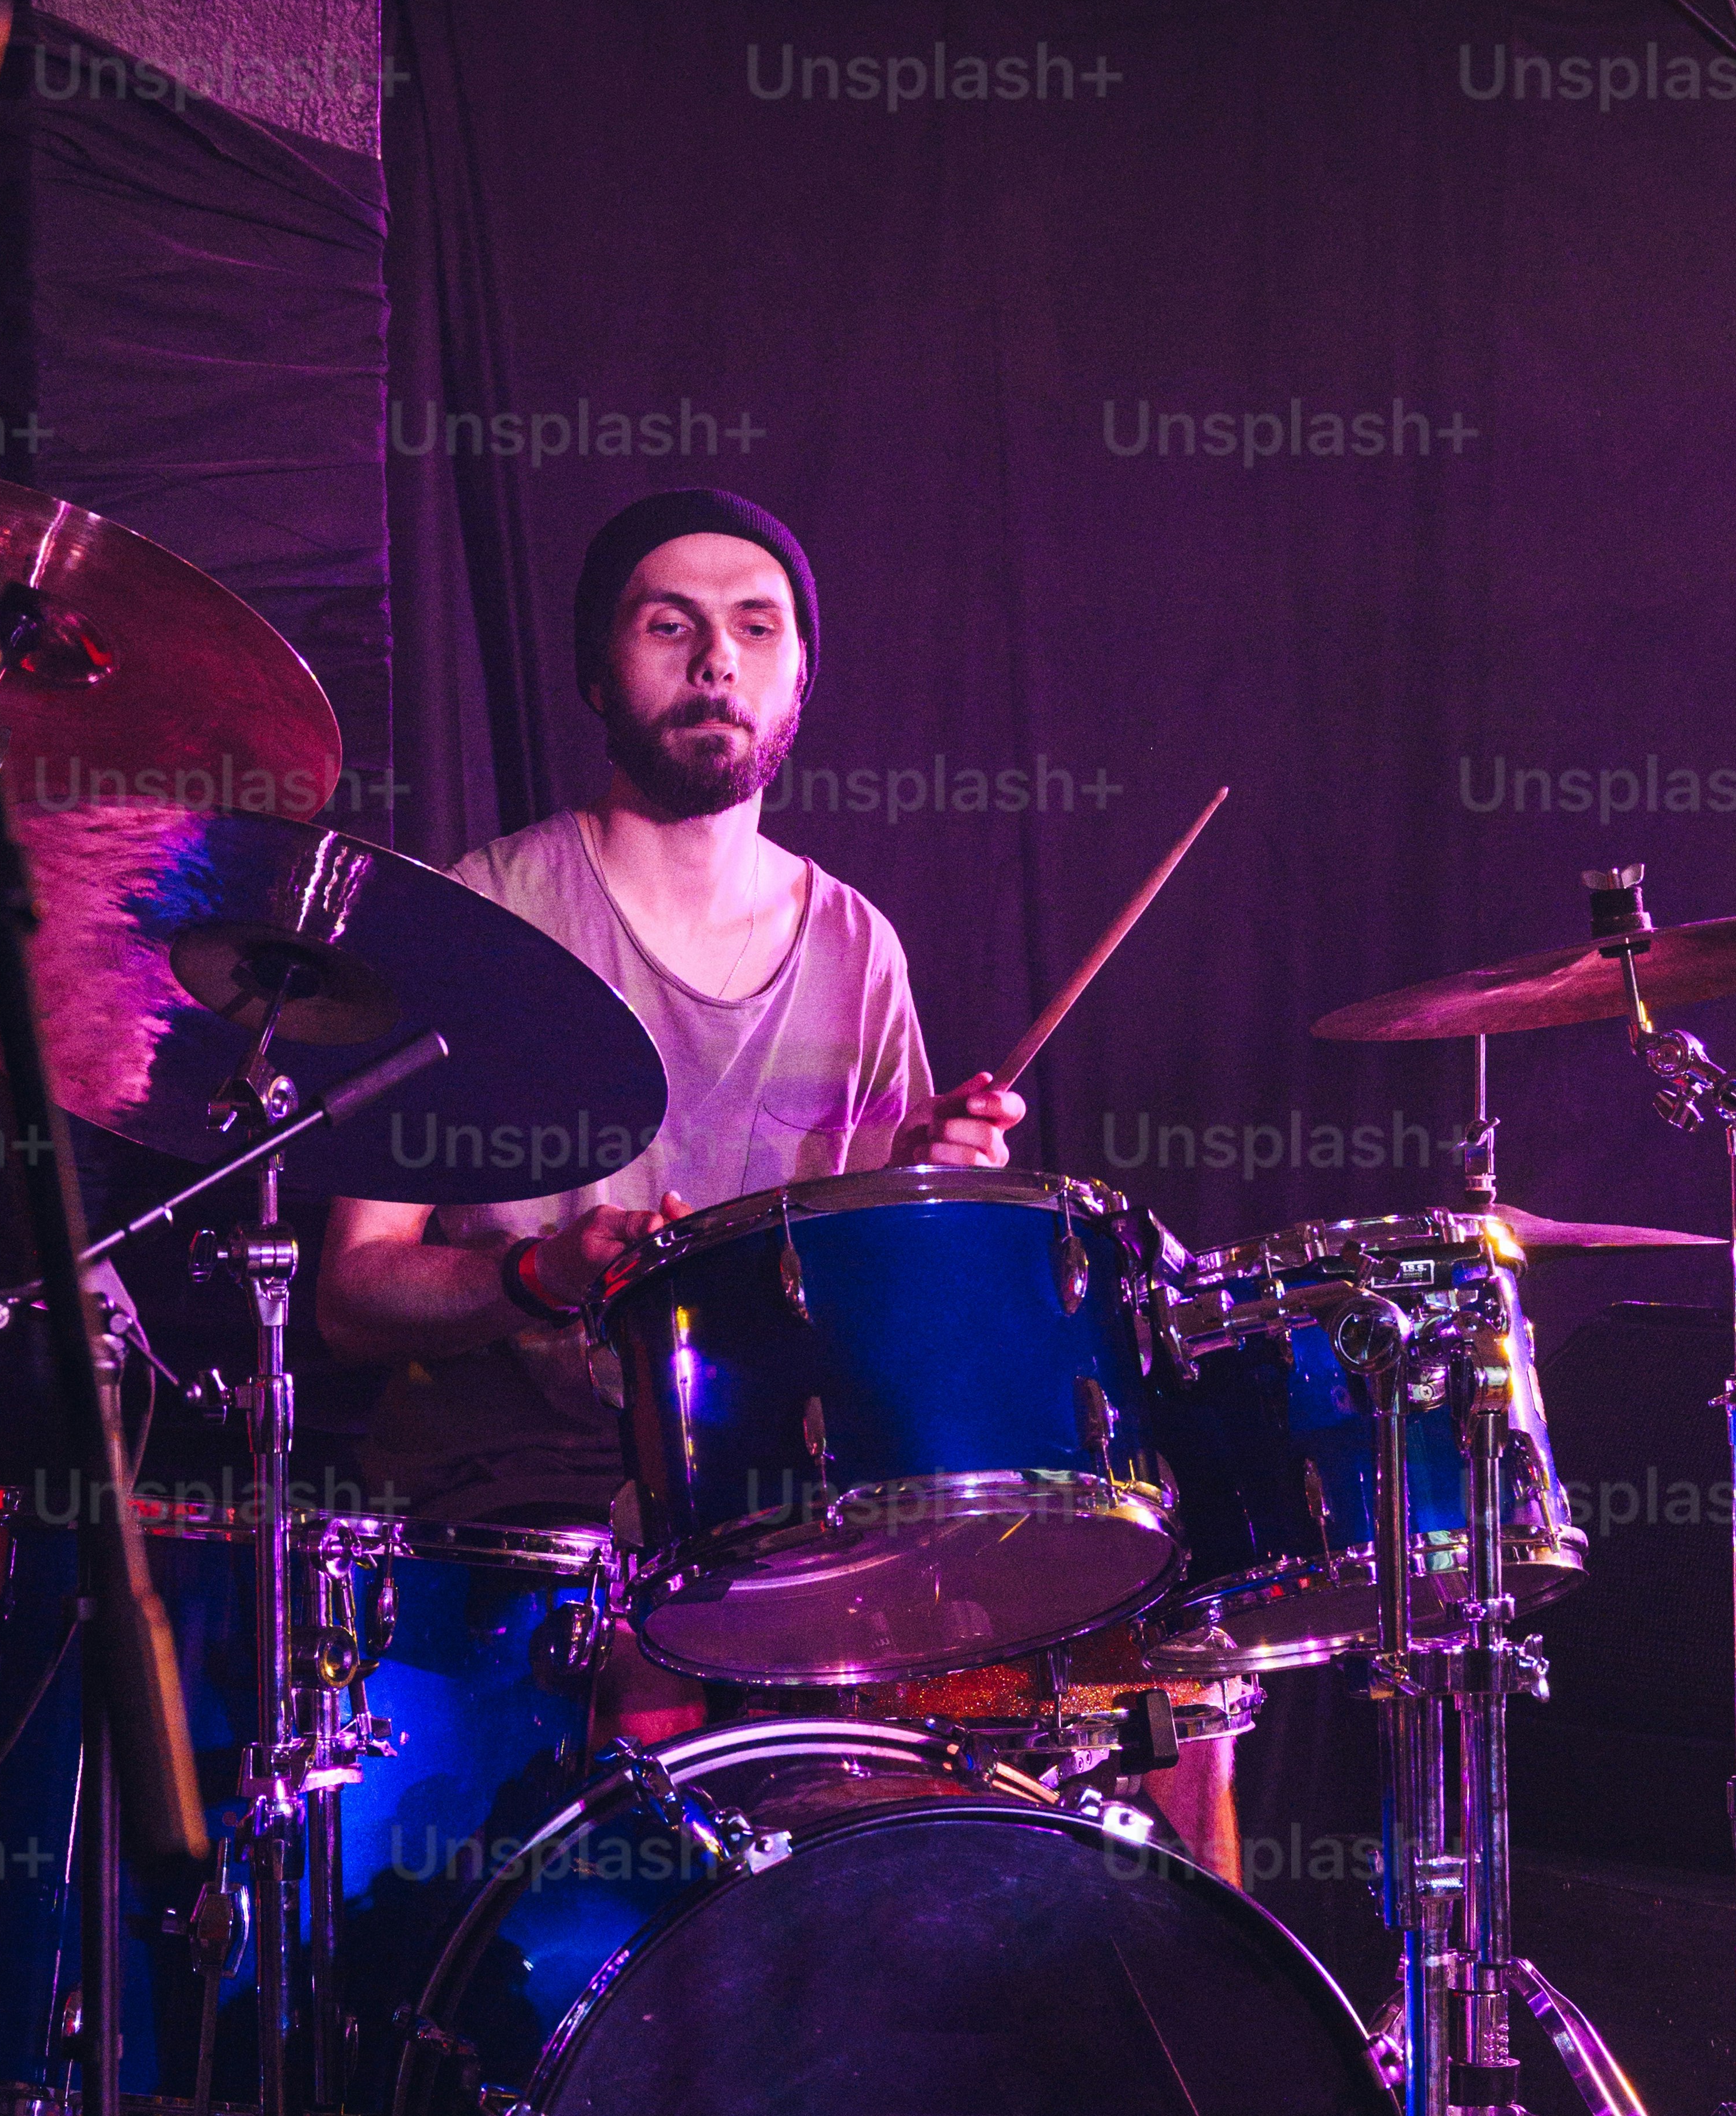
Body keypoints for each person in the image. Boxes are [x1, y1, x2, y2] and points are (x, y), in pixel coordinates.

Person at [320, 486, 1234, 1872]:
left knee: (1176, 1665)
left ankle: (1165, 2051)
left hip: (776, 1514)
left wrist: (920, 1195)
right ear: (593, 672)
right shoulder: (480, 917)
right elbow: (349, 1291)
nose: (716, 660)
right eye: (668, 625)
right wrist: (535, 1274)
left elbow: (853, 1326)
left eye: (757, 628)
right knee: (659, 1695)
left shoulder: (858, 947)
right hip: (522, 1507)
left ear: (800, 679)